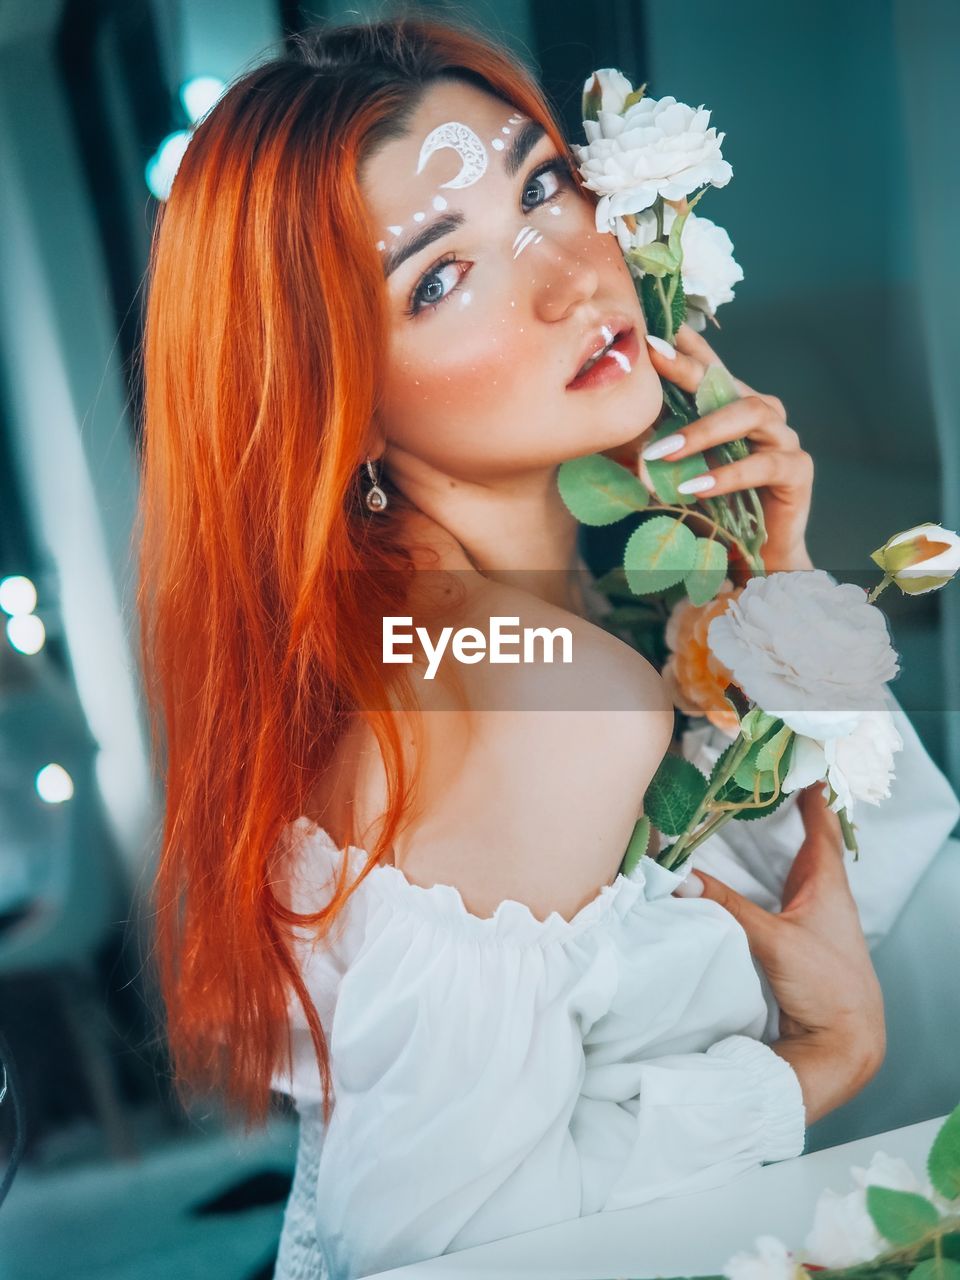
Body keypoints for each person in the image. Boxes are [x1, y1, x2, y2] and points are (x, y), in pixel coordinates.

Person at [135, 13, 957, 1280]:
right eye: (439, 277)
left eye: (543, 186)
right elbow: (447, 1256)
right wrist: (816, 1067)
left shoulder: (497, 626)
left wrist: (769, 579)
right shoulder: (525, 683)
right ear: (333, 400)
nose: (570, 276)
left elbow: (851, 879)